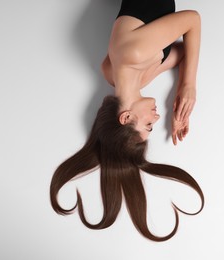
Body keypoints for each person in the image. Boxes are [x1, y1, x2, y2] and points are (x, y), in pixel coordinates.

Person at [50, 0, 204, 242]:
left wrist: (188, 86)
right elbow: (184, 52)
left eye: (148, 125)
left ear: (126, 117)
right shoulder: (124, 76)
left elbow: (192, 20)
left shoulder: (134, 55)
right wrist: (180, 108)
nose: (157, 117)